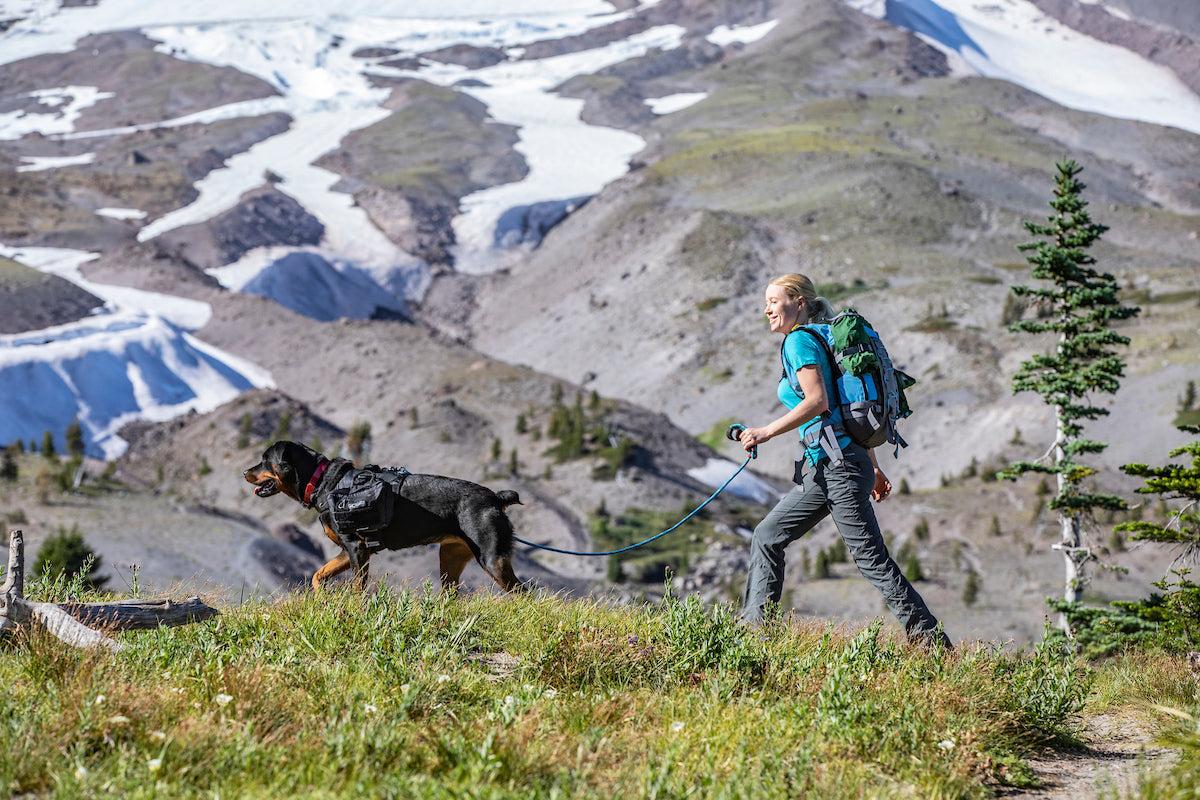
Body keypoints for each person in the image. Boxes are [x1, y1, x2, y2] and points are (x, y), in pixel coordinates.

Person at [738, 273, 950, 647]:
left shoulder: (799, 340)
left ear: (799, 302)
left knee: (871, 558)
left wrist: (765, 432)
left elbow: (818, 401)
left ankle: (931, 643)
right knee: (767, 536)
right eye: (766, 302)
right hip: (833, 465)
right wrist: (874, 464)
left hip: (837, 468)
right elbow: (844, 408)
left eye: (774, 301)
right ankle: (756, 637)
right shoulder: (822, 337)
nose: (766, 308)